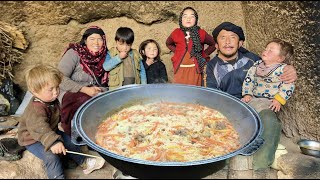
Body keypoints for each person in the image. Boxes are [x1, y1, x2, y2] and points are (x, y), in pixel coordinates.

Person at [203, 22, 297, 170]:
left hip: (255, 105)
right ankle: (224, 162)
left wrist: (290, 69)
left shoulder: (254, 60)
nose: (227, 41)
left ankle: (258, 165)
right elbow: (212, 94)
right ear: (216, 44)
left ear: (240, 43)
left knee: (269, 120)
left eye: (232, 37)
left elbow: (277, 65)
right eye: (222, 38)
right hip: (228, 108)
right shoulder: (210, 66)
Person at [17, 64, 105, 179]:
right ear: (35, 91)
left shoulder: (51, 100)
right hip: (33, 139)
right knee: (51, 156)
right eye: (51, 89)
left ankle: (84, 162)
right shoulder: (36, 110)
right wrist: (53, 142)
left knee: (69, 141)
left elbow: (56, 117)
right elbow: (40, 129)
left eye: (57, 87)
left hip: (50, 132)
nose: (56, 92)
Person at [58, 26, 109, 136]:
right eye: (92, 39)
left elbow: (109, 83)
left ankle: (97, 135)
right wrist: (84, 89)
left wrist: (100, 89)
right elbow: (60, 78)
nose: (96, 42)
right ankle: (75, 135)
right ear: (85, 40)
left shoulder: (107, 56)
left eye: (100, 39)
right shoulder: (74, 53)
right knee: (84, 101)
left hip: (96, 91)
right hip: (71, 91)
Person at [241, 38, 295, 113]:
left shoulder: (283, 70)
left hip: (270, 101)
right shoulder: (257, 65)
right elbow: (249, 80)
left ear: (280, 58)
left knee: (264, 113)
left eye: (271, 50)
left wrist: (278, 100)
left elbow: (288, 86)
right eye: (266, 49)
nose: (266, 51)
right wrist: (247, 94)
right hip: (254, 97)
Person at [166, 6, 216, 86]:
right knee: (179, 92)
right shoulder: (176, 33)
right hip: (180, 69)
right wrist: (178, 52)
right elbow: (168, 43)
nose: (188, 19)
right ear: (181, 19)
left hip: (195, 69)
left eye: (192, 16)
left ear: (196, 19)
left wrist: (203, 54)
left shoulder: (201, 33)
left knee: (195, 93)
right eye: (185, 16)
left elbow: (213, 44)